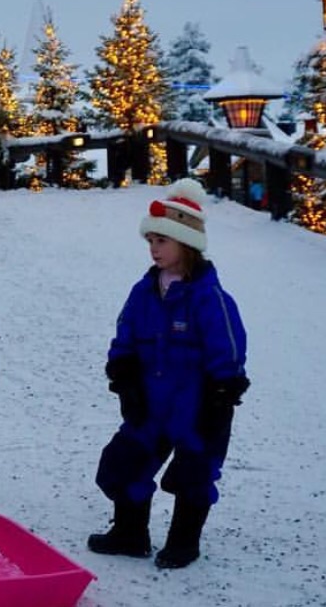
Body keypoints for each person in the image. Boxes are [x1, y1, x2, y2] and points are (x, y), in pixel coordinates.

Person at [87, 178, 249, 569]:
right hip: (150, 404)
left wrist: (221, 396)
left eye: (163, 240)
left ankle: (183, 542)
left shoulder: (210, 299)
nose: (154, 249)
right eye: (151, 241)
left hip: (196, 408)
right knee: (122, 465)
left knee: (193, 474)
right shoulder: (143, 293)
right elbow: (124, 336)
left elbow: (227, 350)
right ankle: (130, 533)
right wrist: (124, 376)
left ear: (187, 244)